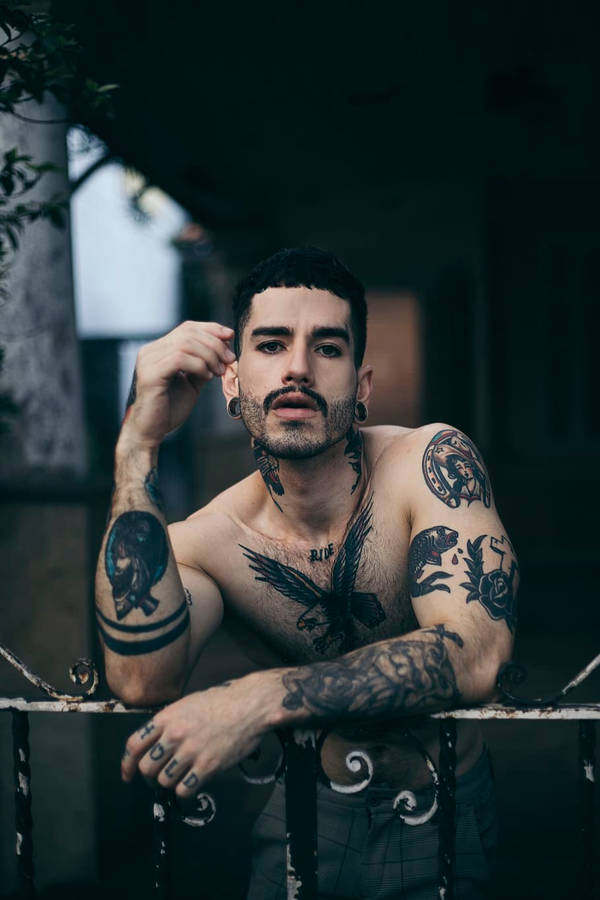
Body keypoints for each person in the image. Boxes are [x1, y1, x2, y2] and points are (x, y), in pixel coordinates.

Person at [95, 247, 517, 899]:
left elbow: (477, 652)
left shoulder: (431, 462)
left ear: (361, 386)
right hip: (304, 812)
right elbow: (140, 677)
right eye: (270, 345)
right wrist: (136, 445)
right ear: (232, 383)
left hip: (445, 808)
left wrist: (258, 698)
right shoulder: (206, 541)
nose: (297, 367)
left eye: (327, 347)